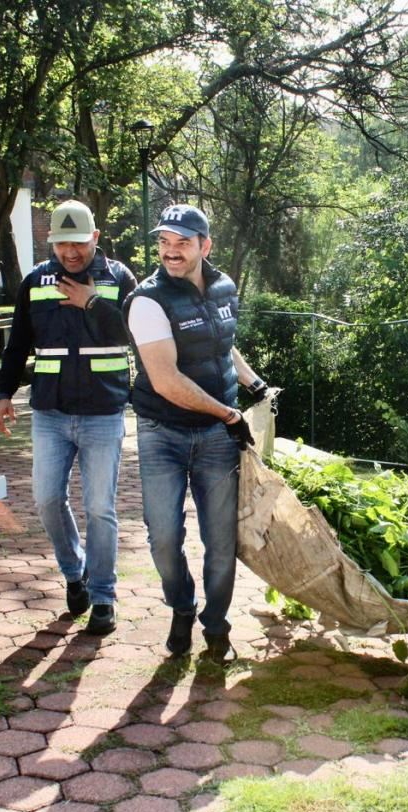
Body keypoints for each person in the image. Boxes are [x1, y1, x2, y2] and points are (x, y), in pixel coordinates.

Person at [125, 204, 268, 666]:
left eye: (182, 243)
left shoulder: (223, 287)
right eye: (164, 242)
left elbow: (222, 342)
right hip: (162, 432)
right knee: (164, 538)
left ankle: (217, 627)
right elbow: (166, 381)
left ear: (205, 246)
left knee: (221, 540)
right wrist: (230, 414)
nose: (170, 252)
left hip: (215, 437)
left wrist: (254, 384)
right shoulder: (148, 301)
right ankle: (182, 607)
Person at [0, 200, 136, 636]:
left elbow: (134, 333)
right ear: (50, 242)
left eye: (78, 243)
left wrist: (92, 302)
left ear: (95, 237)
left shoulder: (119, 278)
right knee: (46, 500)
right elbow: (18, 341)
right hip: (51, 413)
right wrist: (3, 394)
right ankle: (75, 574)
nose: (70, 253)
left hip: (102, 412)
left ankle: (104, 596)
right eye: (61, 245)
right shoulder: (36, 281)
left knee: (100, 508)